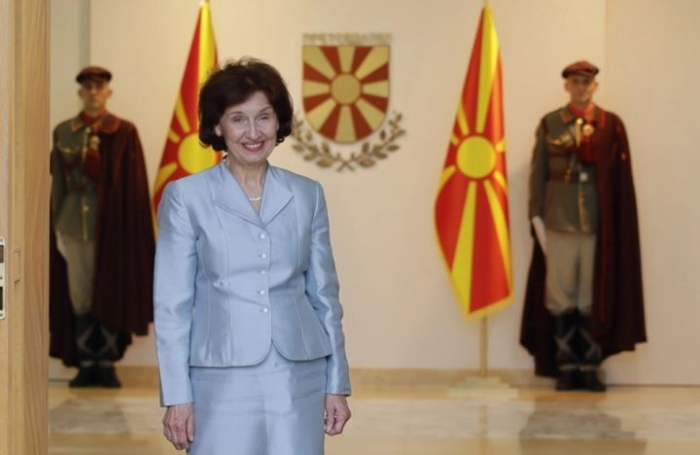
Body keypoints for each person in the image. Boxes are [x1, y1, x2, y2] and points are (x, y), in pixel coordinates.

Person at [154, 58, 352, 454]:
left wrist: (337, 383)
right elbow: (172, 306)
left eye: (263, 117)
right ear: (218, 126)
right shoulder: (186, 198)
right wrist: (177, 395)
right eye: (238, 119)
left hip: (298, 376)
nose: (253, 132)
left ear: (278, 123)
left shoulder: (307, 194)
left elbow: (325, 298)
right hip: (218, 378)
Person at [520, 61, 646, 392]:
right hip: (559, 221)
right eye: (575, 82)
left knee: (591, 295)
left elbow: (620, 180)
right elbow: (538, 173)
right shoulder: (550, 123)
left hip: (595, 224)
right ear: (566, 86)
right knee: (560, 296)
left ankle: (590, 366)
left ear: (595, 87)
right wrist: (536, 216)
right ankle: (567, 366)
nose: (581, 87)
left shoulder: (609, 124)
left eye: (586, 83)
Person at [49, 66, 155, 388]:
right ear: (80, 93)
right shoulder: (64, 131)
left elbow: (135, 186)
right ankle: (87, 364)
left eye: (99, 86)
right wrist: (56, 224)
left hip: (113, 226)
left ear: (109, 92)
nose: (94, 92)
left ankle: (106, 363)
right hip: (73, 223)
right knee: (80, 294)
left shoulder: (123, 132)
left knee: (109, 289)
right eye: (88, 87)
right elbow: (59, 183)